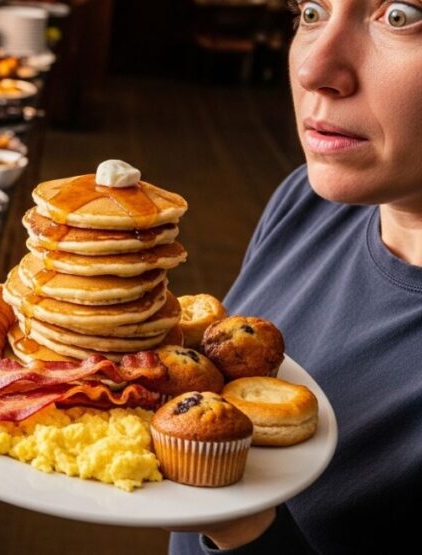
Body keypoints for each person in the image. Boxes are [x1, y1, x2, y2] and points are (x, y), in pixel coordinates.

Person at [170, 0, 422, 553]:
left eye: (400, 16)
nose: (313, 70)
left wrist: (240, 520)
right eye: (311, 11)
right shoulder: (309, 200)